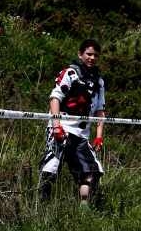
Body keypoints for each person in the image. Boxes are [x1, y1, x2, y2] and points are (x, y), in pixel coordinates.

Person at [38, 39, 106, 205]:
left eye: (95, 55)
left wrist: (99, 136)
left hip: (82, 134)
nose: (92, 58)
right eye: (88, 54)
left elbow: (100, 110)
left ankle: (84, 211)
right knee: (51, 167)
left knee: (92, 171)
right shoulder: (70, 73)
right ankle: (42, 206)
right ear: (80, 54)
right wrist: (56, 127)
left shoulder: (99, 81)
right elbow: (55, 98)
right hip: (61, 127)